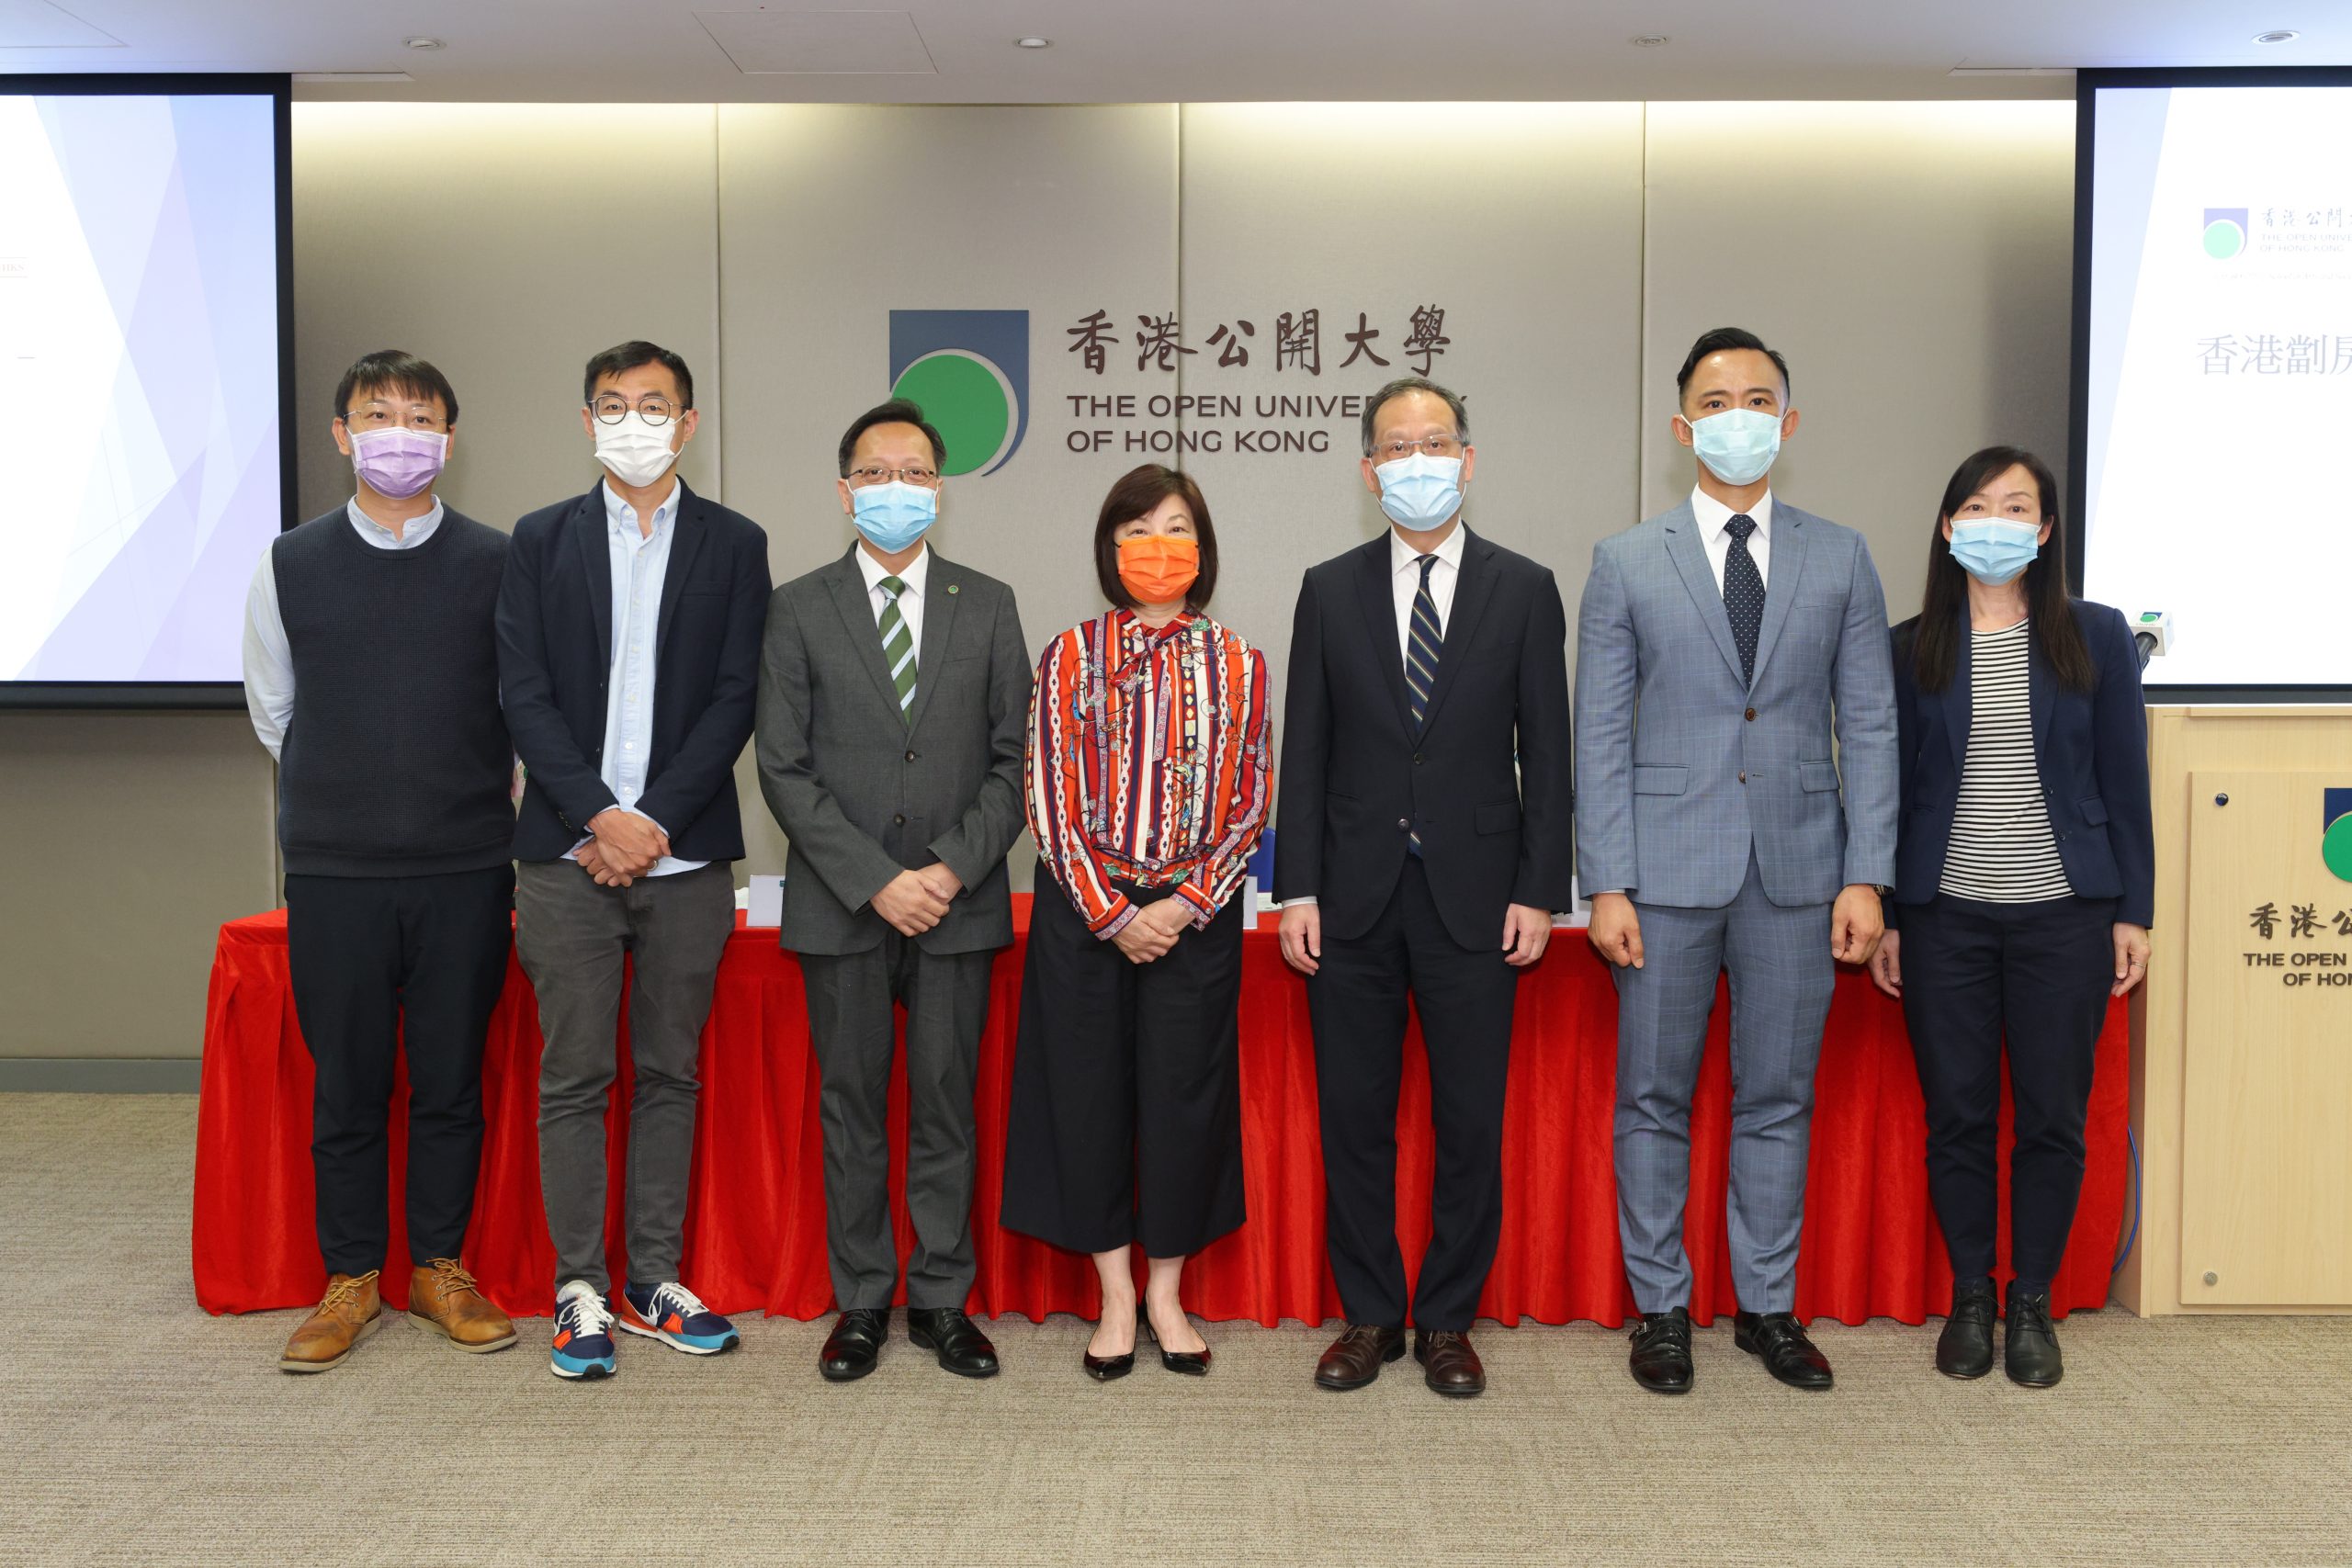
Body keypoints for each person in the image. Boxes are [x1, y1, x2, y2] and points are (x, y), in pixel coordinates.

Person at [1575, 326, 1897, 1395]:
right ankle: (1660, 1310)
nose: (1738, 416)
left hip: (1802, 874)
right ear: (1682, 428)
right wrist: (1605, 881)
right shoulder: (1625, 560)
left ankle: (1766, 1306)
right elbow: (1601, 735)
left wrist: (1867, 873)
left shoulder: (1840, 554)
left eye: (1758, 399)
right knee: (1653, 1099)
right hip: (1662, 875)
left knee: (1777, 1097)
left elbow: (1872, 724)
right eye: (1716, 401)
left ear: (1789, 423)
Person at [1275, 377, 1574, 1399]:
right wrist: (1296, 887)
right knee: (1353, 1120)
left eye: (1434, 442)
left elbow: (1550, 751)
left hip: (1479, 898)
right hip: (1351, 899)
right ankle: (1369, 1317)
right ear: (1368, 470)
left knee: (1467, 1120)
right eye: (1395, 447)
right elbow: (1302, 751)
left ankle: (1446, 1318)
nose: (1416, 461)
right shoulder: (1328, 585)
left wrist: (1541, 889)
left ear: (1467, 458)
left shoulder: (1525, 587)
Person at [497, 340, 771, 1381]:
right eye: (613, 404)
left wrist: (649, 818)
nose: (634, 421)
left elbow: (733, 699)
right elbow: (522, 694)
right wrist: (598, 819)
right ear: (586, 421)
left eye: (654, 405)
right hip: (565, 859)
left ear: (689, 423)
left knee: (670, 1072)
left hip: (685, 856)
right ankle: (578, 1289)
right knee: (574, 1075)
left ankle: (653, 1276)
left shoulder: (735, 543)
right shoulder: (537, 540)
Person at [244, 350, 518, 1372]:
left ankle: (438, 1267)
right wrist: (353, 791)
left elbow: (520, 712)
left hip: (466, 865)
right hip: (335, 870)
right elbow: (276, 711)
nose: (399, 433)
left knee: (451, 1082)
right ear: (340, 432)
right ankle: (350, 1277)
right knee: (348, 1086)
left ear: (449, 438)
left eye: (420, 416)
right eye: (378, 413)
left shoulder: (498, 559)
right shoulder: (290, 562)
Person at [754, 399, 1030, 1382]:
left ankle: (943, 1303)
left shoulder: (987, 602)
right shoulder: (795, 607)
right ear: (843, 491)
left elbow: (1015, 763)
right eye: (876, 473)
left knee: (948, 1107)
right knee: (852, 1108)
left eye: (915, 472)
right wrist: (876, 881)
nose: (896, 489)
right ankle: (864, 1299)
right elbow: (782, 769)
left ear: (941, 490)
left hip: (960, 906)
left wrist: (948, 869)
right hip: (844, 906)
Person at [1869, 446, 2153, 1388]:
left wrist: (2134, 910)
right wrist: (1891, 913)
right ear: (1948, 528)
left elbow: (2123, 780)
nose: (1996, 523)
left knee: (2051, 1119)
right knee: (1955, 1116)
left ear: (2044, 530)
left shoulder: (2097, 637)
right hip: (1942, 915)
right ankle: (1970, 1298)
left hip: (2065, 916)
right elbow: (1891, 789)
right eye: (1977, 507)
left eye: (2017, 507)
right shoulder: (1911, 647)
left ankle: (2029, 1298)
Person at [1002, 465, 1272, 1382]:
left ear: (1202, 549)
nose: (1157, 548)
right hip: (1088, 917)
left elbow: (1248, 807)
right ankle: (1114, 1291)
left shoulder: (1239, 662)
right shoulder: (1071, 654)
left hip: (1194, 920)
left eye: (1175, 529)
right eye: (1137, 532)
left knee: (1181, 1104)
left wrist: (1182, 906)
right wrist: (1116, 915)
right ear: (1109, 552)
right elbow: (1048, 800)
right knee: (1085, 1101)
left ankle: (1167, 1288)